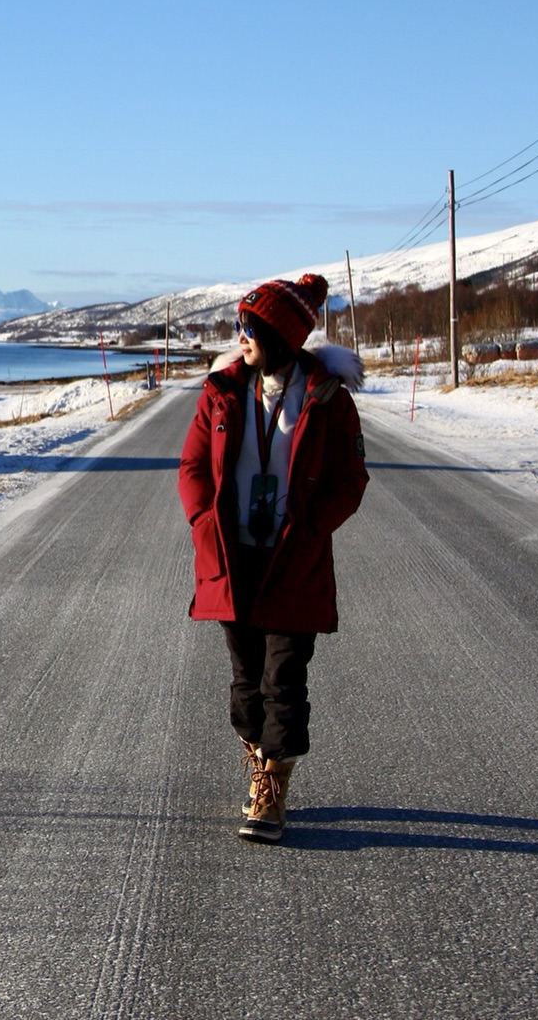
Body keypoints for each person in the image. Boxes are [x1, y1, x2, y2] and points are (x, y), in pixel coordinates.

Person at [177, 273, 368, 843]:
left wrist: (310, 529)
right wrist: (204, 522)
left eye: (251, 328)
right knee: (245, 682)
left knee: (283, 679)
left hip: (292, 560)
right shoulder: (221, 393)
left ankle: (272, 790)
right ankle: (259, 758)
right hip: (232, 557)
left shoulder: (328, 399)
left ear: (281, 336)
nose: (241, 337)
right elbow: (191, 468)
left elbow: (351, 479)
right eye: (240, 327)